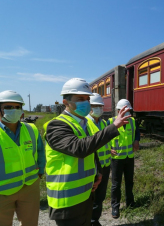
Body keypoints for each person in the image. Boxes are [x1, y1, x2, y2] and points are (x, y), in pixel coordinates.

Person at [44, 78, 130, 226]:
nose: (85, 102)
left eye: (87, 99)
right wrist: (113, 127)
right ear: (66, 102)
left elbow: (92, 150)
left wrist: (97, 172)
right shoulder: (56, 125)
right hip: (67, 199)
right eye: (80, 99)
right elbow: (80, 148)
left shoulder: (84, 124)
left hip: (86, 193)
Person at [0, 90, 46, 226]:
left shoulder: (31, 129)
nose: (14, 110)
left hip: (29, 186)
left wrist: (40, 172)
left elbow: (40, 152)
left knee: (30, 223)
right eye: (8, 107)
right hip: (2, 191)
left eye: (17, 107)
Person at [107, 99, 140, 219]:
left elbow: (137, 132)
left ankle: (130, 202)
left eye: (128, 110)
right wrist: (108, 149)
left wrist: (137, 140)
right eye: (124, 110)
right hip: (116, 158)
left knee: (129, 181)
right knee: (116, 184)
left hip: (129, 157)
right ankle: (115, 207)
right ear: (118, 111)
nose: (127, 112)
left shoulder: (132, 121)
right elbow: (103, 136)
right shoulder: (111, 122)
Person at [85, 93, 111, 226]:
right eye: (96, 106)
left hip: (106, 165)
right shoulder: (85, 123)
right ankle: (89, 221)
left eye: (101, 106)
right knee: (91, 197)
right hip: (93, 167)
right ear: (90, 107)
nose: (99, 109)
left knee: (100, 196)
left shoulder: (104, 122)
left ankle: (95, 220)